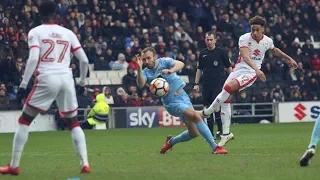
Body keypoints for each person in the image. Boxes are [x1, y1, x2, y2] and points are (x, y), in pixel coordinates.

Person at [0, 1, 90, 175]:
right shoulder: (68, 33)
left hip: (47, 77)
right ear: (56, 14)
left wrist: (24, 84)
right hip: (67, 78)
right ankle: (85, 163)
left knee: (24, 120)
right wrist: (82, 83)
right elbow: (84, 60)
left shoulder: (36, 32)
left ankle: (14, 165)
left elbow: (33, 59)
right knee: (73, 122)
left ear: (39, 15)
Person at [202, 15, 298, 146]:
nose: (255, 32)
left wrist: (289, 58)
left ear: (263, 29)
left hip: (251, 73)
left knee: (228, 89)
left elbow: (274, 50)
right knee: (225, 99)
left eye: (257, 30)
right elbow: (246, 57)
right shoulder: (244, 38)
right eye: (253, 30)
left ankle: (206, 112)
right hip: (238, 70)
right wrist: (258, 70)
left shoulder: (267, 41)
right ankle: (226, 134)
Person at [135, 47, 227, 154]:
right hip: (172, 102)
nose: (146, 61)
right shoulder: (145, 72)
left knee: (194, 133)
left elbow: (180, 64)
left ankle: (171, 141)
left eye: (148, 58)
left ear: (154, 57)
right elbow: (141, 84)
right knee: (196, 117)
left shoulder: (163, 62)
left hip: (183, 97)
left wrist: (171, 70)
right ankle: (215, 147)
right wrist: (139, 68)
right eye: (144, 59)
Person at [194, 31, 232, 140]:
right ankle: (210, 133)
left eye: (211, 39)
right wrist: (196, 83)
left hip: (218, 84)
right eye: (207, 39)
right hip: (206, 84)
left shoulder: (221, 52)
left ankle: (220, 131)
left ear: (215, 40)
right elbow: (199, 69)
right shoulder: (202, 53)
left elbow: (229, 67)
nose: (209, 41)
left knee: (215, 108)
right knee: (207, 108)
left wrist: (233, 80)